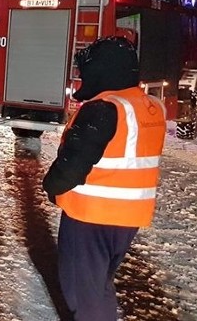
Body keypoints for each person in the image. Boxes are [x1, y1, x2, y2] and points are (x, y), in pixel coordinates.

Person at [42, 37, 166, 321]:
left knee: (84, 294)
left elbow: (71, 167)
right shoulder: (150, 107)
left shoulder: (103, 108)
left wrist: (51, 186)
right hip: (129, 217)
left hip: (91, 217)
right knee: (98, 286)